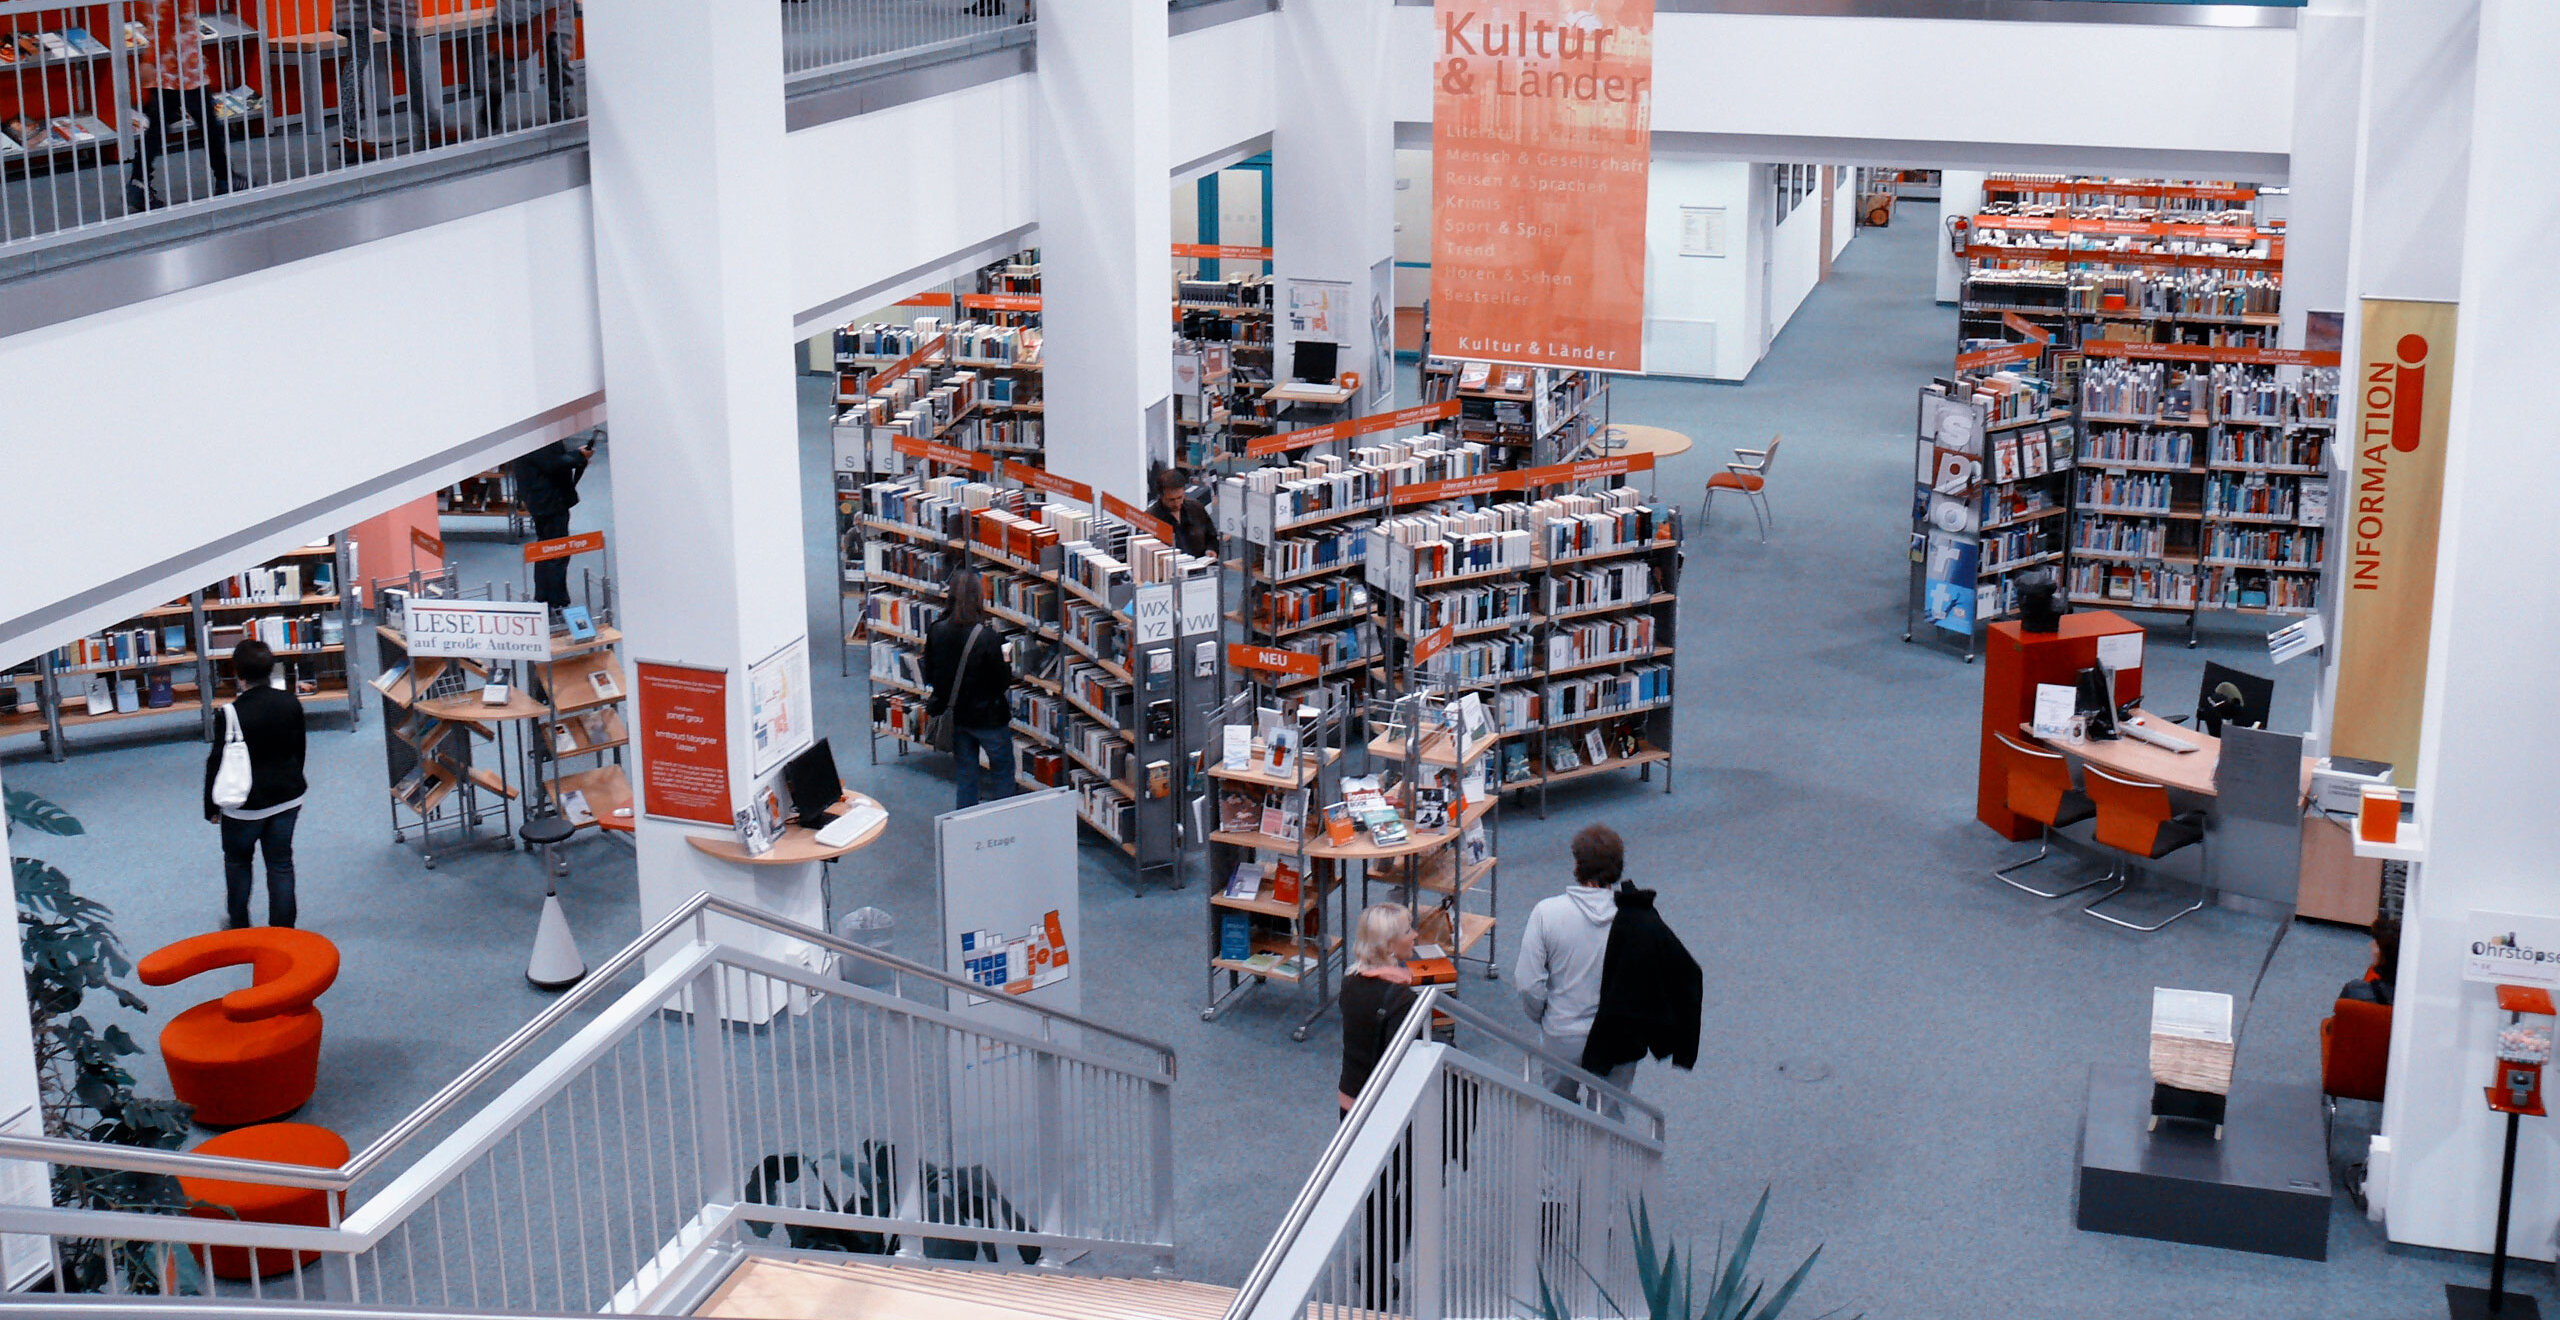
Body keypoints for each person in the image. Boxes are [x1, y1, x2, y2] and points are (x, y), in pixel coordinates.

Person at [1515, 824, 1633, 1102]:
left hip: (1562, 1033)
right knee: (1610, 1121)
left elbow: (1528, 983)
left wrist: (1546, 1016)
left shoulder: (1546, 913)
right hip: (1617, 1036)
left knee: (1557, 1114)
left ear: (1577, 865)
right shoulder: (1637, 917)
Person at [203, 640, 308, 929]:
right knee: (281, 863)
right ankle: (284, 931)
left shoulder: (230, 713)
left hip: (243, 806)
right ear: (271, 669)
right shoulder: (291, 702)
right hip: (287, 798)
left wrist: (211, 807)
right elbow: (299, 748)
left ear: (238, 673)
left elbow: (216, 762)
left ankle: (239, 923)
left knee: (238, 862)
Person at [127, 0, 237, 213]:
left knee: (158, 128)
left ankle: (138, 182)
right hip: (183, 65)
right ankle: (225, 178)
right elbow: (170, 17)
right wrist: (150, 59)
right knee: (208, 124)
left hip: (165, 66)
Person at [923, 568, 1017, 810]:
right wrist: (1006, 658)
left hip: (958, 717)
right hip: (989, 719)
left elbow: (930, 673)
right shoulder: (989, 638)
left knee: (966, 776)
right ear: (978, 598)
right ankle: (1005, 827)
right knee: (1003, 773)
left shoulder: (936, 630)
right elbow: (1002, 682)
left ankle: (967, 830)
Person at [1339, 903, 1420, 1113]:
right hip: (1380, 1108)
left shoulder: (1349, 982)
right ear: (1389, 946)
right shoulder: (1402, 1000)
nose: (1415, 935)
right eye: (1408, 931)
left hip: (1349, 1098)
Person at [511, 435, 592, 612]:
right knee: (557, 551)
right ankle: (555, 600)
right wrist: (578, 457)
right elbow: (552, 463)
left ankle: (545, 596)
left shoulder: (528, 436)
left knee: (546, 548)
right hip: (549, 501)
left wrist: (576, 456)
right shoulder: (535, 438)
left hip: (542, 500)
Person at [1145, 466, 1219, 558]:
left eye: (1180, 498)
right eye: (1171, 500)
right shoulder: (1150, 519)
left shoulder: (1196, 508)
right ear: (1161, 496)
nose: (1177, 503)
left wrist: (1211, 549)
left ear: (1184, 491)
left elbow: (1211, 537)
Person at [2341, 914, 2400, 1006]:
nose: (2371, 945)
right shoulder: (2410, 1000)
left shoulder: (2353, 991)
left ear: (2382, 954)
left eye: (2376, 944)